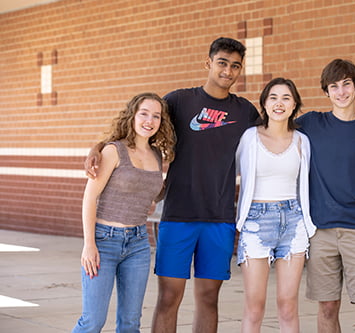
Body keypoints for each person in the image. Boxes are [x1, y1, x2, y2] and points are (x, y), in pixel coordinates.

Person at [85, 37, 259, 333]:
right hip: (177, 216)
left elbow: (275, 134)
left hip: (219, 219)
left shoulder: (245, 112)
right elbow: (139, 124)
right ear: (208, 63)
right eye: (222, 63)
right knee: (169, 297)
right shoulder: (180, 101)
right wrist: (98, 146)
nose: (227, 71)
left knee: (208, 298)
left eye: (235, 66)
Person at [296, 59, 355, 333]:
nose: (341, 91)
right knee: (327, 306)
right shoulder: (311, 124)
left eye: (346, 84)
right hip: (319, 231)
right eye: (334, 86)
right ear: (326, 92)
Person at [73, 92, 176, 333]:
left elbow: (151, 193)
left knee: (130, 323)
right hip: (104, 241)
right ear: (132, 115)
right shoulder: (113, 151)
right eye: (144, 114)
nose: (149, 121)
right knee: (92, 321)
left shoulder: (156, 155)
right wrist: (89, 244)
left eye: (156, 116)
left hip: (138, 244)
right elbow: (90, 197)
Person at [235, 78, 316, 332]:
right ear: (264, 103)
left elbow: (307, 182)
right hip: (256, 223)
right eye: (273, 97)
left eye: (286, 98)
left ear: (294, 105)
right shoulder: (249, 138)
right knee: (255, 306)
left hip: (293, 221)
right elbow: (233, 171)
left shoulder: (302, 141)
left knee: (287, 304)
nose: (279, 103)